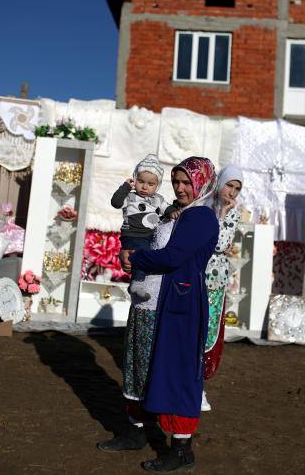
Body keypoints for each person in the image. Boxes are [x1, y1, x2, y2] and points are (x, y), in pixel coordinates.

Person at [98, 156, 219, 473]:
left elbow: (173, 256)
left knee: (175, 372)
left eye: (186, 183)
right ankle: (135, 431)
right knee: (139, 365)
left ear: (202, 184)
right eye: (176, 182)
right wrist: (131, 257)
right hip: (154, 301)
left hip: (180, 304)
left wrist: (137, 257)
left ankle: (181, 449)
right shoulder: (179, 214)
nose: (180, 188)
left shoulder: (202, 217)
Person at [202, 164, 243, 411]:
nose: (232, 192)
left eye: (237, 188)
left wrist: (224, 213)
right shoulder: (202, 204)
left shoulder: (233, 213)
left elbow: (218, 244)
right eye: (230, 185)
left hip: (215, 282)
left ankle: (198, 388)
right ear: (220, 182)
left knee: (208, 333)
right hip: (194, 277)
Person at [110, 154, 177, 297]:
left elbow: (167, 208)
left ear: (157, 185)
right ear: (135, 179)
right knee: (142, 253)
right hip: (133, 234)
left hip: (148, 236)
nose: (145, 187)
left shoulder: (158, 199)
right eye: (140, 181)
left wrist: (172, 212)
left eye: (150, 184)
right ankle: (136, 283)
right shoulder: (130, 197)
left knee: (144, 254)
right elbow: (116, 203)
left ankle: (139, 281)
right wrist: (125, 187)